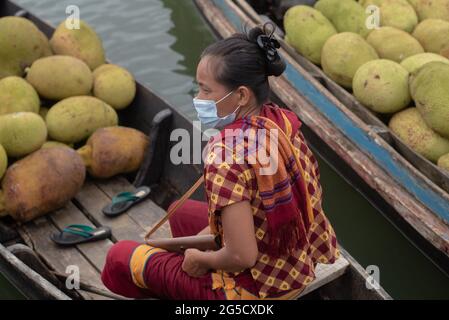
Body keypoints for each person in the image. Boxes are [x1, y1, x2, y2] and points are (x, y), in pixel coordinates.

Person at [101, 23, 340, 300]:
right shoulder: (282, 122)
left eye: (205, 91)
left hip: (262, 291)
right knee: (180, 212)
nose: (197, 99)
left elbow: (242, 255)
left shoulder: (225, 157)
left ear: (241, 95)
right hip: (296, 260)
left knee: (119, 257)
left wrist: (200, 260)